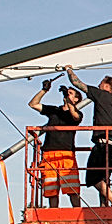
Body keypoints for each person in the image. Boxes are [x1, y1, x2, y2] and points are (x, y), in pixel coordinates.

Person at [63, 66, 112, 206]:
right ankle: (104, 207)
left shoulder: (100, 94)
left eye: (101, 83)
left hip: (103, 143)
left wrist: (69, 70)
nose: (98, 84)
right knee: (103, 178)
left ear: (107, 86)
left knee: (92, 177)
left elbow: (77, 83)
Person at [27, 80, 83, 208]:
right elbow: (33, 104)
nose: (67, 95)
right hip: (49, 155)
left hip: (66, 155)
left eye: (70, 93)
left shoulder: (77, 114)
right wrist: (44, 90)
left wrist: (68, 102)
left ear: (76, 100)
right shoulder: (54, 110)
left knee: (72, 189)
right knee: (51, 189)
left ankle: (77, 213)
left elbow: (75, 116)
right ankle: (53, 214)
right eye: (67, 93)